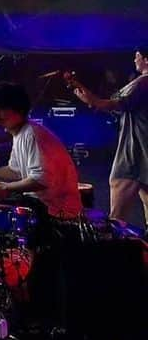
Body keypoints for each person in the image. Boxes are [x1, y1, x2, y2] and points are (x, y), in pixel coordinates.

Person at [0, 82, 82, 219]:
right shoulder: (20, 133)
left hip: (57, 214)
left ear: (18, 109)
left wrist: (6, 188)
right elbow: (15, 172)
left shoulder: (32, 134)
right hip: (41, 208)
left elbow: (41, 180)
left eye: (1, 108)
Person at [67, 46, 148, 224]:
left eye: (137, 56)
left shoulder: (143, 82)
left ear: (146, 59)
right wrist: (92, 99)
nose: (134, 60)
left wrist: (92, 101)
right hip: (142, 157)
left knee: (117, 219)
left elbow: (115, 104)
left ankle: (116, 248)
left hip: (133, 156)